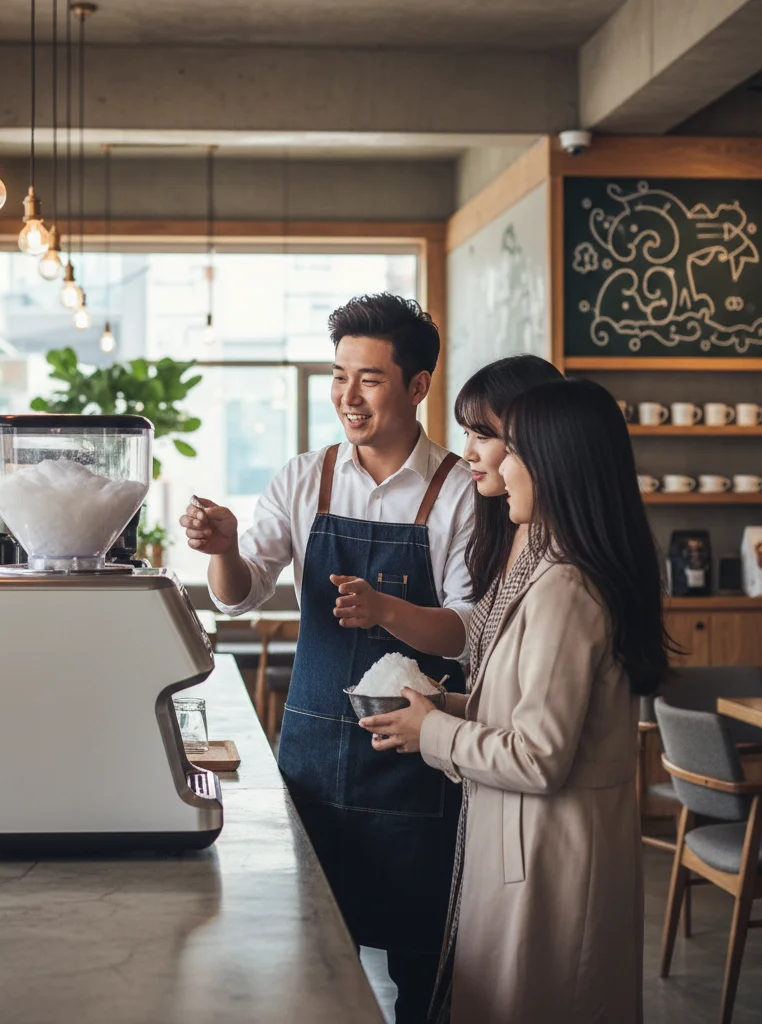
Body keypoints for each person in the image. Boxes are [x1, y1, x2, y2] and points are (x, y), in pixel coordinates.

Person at [180, 293, 474, 1023]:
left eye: (369, 378)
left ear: (416, 386)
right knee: (306, 956)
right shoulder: (306, 476)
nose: (348, 395)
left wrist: (387, 612)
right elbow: (241, 595)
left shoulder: (459, 490)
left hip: (417, 762)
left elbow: (471, 631)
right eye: (338, 375)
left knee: (419, 963)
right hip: (311, 753)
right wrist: (222, 551)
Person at [360, 377, 668, 1024]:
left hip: (550, 858)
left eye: (510, 448)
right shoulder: (549, 563)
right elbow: (524, 709)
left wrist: (433, 735)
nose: (494, 460)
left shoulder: (565, 587)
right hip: (529, 846)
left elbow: (538, 756)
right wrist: (441, 711)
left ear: (557, 465)